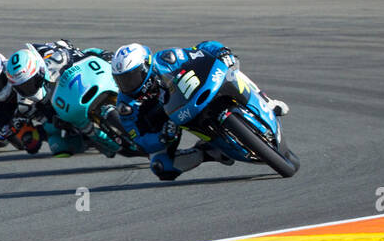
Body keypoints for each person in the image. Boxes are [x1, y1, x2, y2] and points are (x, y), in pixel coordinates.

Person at [111, 41, 289, 181]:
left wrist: (222, 52)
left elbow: (201, 49)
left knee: (229, 69)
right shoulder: (126, 106)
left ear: (146, 66)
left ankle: (266, 100)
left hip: (193, 93)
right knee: (161, 166)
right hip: (168, 125)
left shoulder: (168, 58)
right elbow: (140, 140)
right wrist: (161, 137)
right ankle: (209, 151)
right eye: (122, 80)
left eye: (131, 77)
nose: (128, 85)